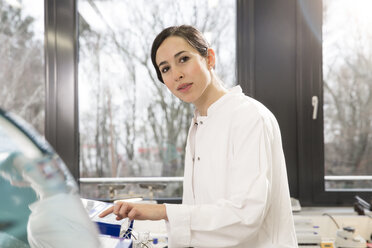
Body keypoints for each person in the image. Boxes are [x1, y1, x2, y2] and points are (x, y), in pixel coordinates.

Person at [99, 25, 298, 248]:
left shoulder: (249, 117)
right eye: (165, 69)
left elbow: (245, 215)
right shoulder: (199, 125)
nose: (176, 74)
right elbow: (200, 213)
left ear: (209, 58)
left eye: (183, 59)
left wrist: (162, 211)